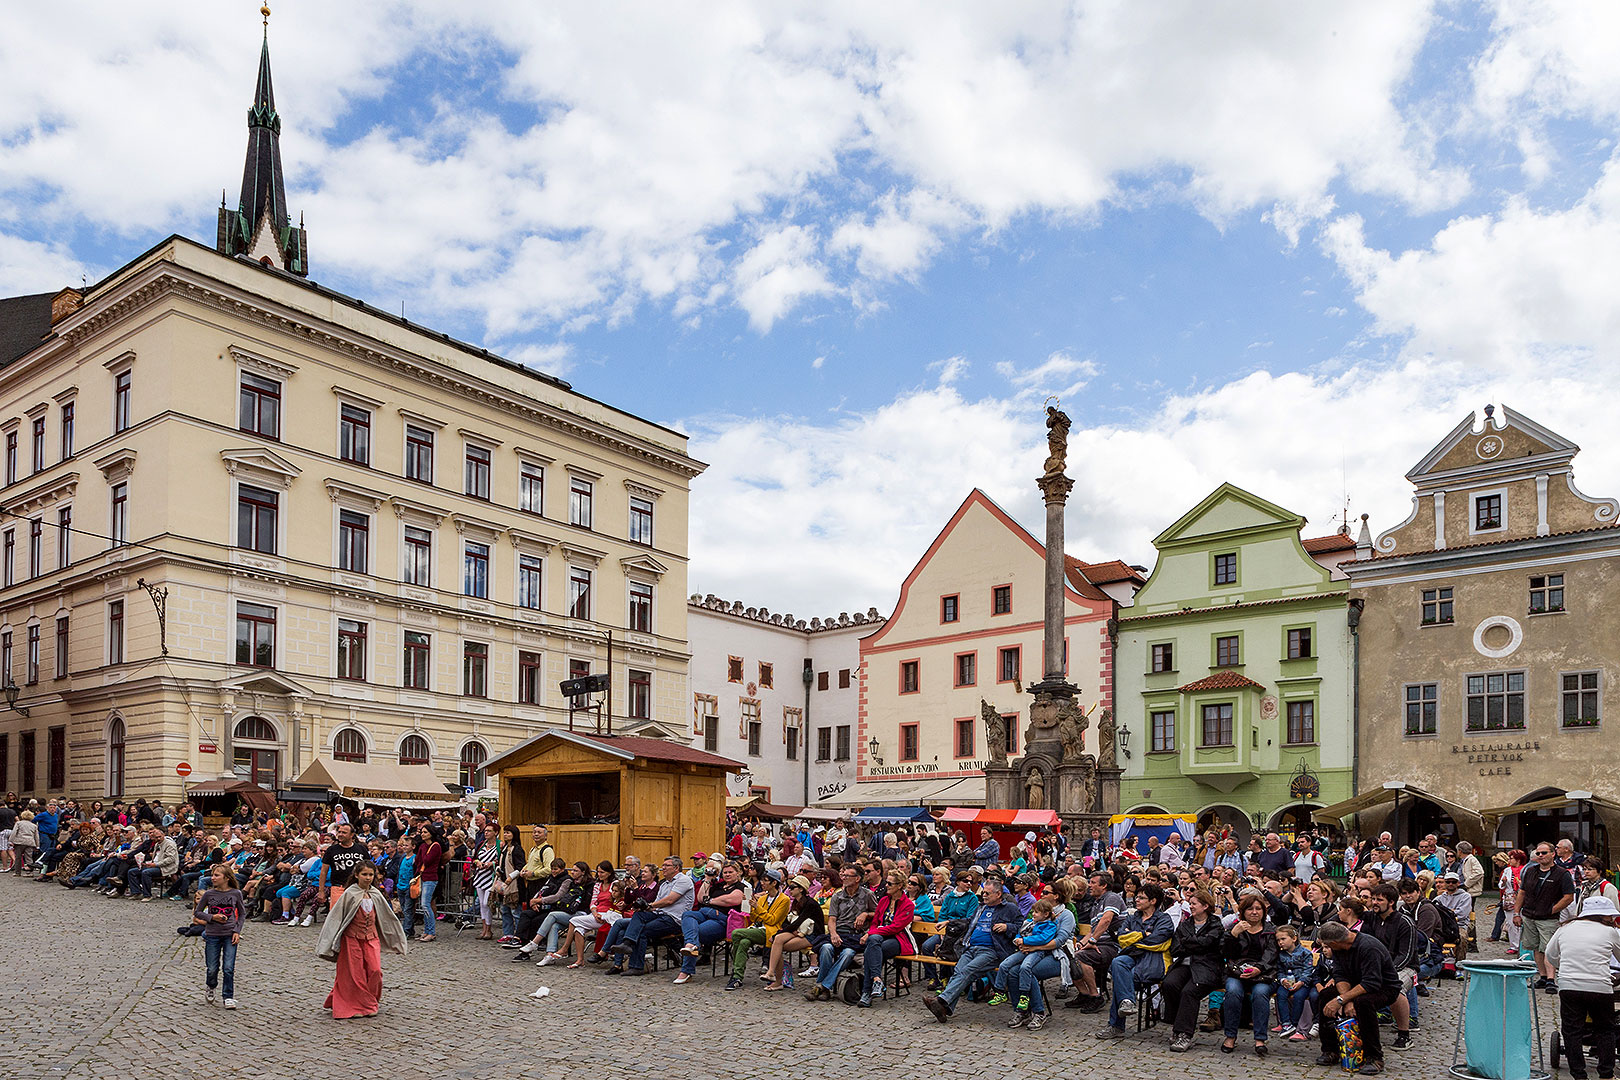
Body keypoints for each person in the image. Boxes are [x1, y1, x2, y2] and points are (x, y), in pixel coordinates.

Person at [922, 875, 1023, 1023]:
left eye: (987, 893)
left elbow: (1021, 925)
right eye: (983, 893)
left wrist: (1008, 927)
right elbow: (969, 922)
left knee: (967, 971)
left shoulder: (1009, 908)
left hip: (992, 950)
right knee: (958, 972)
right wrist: (948, 922)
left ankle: (942, 1000)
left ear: (998, 894)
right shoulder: (981, 907)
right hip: (970, 947)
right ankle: (944, 1008)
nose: (984, 896)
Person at [316, 861, 407, 1019]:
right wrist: (330, 941)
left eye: (371, 874)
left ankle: (370, 1000)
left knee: (375, 971)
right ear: (356, 875)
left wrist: (396, 940)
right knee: (354, 973)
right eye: (364, 874)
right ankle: (358, 1005)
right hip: (352, 938)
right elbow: (336, 918)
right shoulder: (350, 893)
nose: (368, 877)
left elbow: (387, 918)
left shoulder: (376, 894)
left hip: (371, 938)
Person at [1546, 894, 1620, 1080]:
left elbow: (1550, 953)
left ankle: (1578, 1074)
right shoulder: (1611, 932)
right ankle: (1606, 1074)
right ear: (1603, 916)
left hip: (1570, 985)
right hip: (1600, 986)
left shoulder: (1566, 928)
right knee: (1605, 1030)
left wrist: (1564, 968)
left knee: (1572, 1030)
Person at [1316, 920, 1403, 1075]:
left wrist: (1343, 1000)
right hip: (1356, 983)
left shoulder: (1369, 947)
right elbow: (1340, 974)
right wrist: (1344, 999)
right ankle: (1331, 1050)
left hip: (1384, 988)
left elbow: (1371, 983)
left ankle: (1374, 1057)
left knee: (1363, 1003)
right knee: (1326, 996)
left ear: (1335, 942)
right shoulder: (1339, 948)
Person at [1097, 882, 1175, 1039]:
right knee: (1118, 963)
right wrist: (1143, 934)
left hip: (1154, 960)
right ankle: (1127, 1002)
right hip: (1131, 956)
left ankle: (1116, 1025)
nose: (1136, 900)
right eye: (1137, 897)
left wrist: (1134, 937)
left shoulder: (1164, 919)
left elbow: (1158, 941)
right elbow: (1121, 938)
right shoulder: (1133, 917)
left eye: (1141, 898)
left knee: (1122, 977)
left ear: (1153, 901)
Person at [1161, 888, 1225, 1051]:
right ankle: (1177, 1023)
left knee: (1189, 992)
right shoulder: (1186, 924)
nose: (1190, 906)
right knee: (1170, 983)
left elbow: (1209, 943)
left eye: (1194, 903)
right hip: (1185, 964)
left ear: (1205, 906)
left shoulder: (1215, 924)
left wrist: (1188, 942)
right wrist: (1195, 943)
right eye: (1190, 903)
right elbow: (1175, 948)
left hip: (1206, 967)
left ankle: (1184, 1033)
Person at [803, 864, 877, 1001]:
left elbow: (878, 915)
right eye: (843, 875)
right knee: (826, 948)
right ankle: (825, 988)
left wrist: (865, 914)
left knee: (847, 954)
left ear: (857, 879)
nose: (843, 878)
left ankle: (821, 986)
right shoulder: (837, 896)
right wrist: (833, 934)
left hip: (856, 935)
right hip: (839, 932)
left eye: (848, 876)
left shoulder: (868, 895)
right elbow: (832, 919)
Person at [612, 855, 694, 977]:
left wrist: (648, 905)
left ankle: (637, 966)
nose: (663, 868)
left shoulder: (683, 880)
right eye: (663, 865)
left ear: (676, 868)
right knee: (639, 914)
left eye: (667, 866)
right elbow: (657, 905)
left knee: (642, 931)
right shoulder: (665, 884)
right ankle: (627, 944)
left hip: (674, 919)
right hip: (659, 915)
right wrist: (644, 907)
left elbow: (669, 901)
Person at [1221, 894, 1279, 1056]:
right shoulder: (1235, 928)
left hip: (1263, 974)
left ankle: (1260, 1039)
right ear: (1243, 912)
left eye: (1258, 909)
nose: (1254, 912)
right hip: (1237, 972)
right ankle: (1230, 1036)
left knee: (1260, 994)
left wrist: (1259, 968)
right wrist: (1232, 935)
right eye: (1250, 909)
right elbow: (1226, 953)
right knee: (1233, 991)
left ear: (1264, 911)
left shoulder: (1270, 930)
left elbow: (1271, 954)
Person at [676, 859, 748, 982]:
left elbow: (731, 900)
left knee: (695, 932)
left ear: (738, 873)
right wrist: (707, 879)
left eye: (731, 872)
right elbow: (700, 898)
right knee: (688, 915)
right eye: (725, 872)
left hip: (721, 919)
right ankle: (690, 946)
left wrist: (710, 901)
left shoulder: (741, 887)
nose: (727, 875)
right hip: (704, 913)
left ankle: (686, 970)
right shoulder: (717, 885)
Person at [852, 869, 917, 1006]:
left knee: (873, 947)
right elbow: (875, 922)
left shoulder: (908, 905)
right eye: (886, 883)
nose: (886, 885)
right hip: (880, 937)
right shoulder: (883, 901)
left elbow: (896, 927)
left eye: (890, 883)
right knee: (874, 944)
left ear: (900, 885)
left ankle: (866, 993)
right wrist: (872, 932)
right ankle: (876, 980)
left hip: (899, 939)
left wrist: (871, 933)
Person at [1518, 841, 1577, 990]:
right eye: (1538, 853)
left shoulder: (1562, 874)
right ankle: (1543, 977)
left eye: (1544, 853)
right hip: (1529, 915)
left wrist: (1552, 910)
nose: (1540, 856)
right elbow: (1522, 892)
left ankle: (1551, 979)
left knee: (1549, 948)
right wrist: (1516, 912)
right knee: (1536, 948)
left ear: (1553, 854)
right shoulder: (1530, 871)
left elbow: (1569, 896)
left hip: (1548, 919)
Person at [724, 870, 790, 990]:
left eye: (765, 880)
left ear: (774, 883)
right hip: (758, 928)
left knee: (736, 933)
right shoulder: (763, 898)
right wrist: (750, 906)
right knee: (743, 943)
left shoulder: (784, 899)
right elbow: (755, 918)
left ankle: (735, 967)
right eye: (762, 880)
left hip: (771, 931)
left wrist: (757, 908)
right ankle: (737, 977)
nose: (762, 883)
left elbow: (772, 920)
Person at [192, 863, 246, 1008]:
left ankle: (228, 996)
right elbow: (197, 912)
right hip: (212, 934)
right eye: (213, 875)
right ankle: (211, 985)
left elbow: (241, 914)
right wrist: (212, 917)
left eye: (216, 875)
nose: (213, 878)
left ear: (226, 878)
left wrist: (237, 931)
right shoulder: (209, 894)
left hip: (229, 934)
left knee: (228, 967)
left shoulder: (236, 894)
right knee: (212, 967)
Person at [763, 875, 825, 990]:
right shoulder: (796, 902)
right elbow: (787, 922)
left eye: (792, 887)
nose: (789, 889)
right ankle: (772, 974)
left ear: (801, 889)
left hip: (812, 935)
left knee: (778, 944)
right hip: (798, 931)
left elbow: (798, 922)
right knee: (777, 941)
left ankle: (776, 979)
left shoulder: (810, 904)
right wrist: (779, 934)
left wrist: (777, 934)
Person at [1274, 924, 1316, 1040]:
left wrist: (1301, 982)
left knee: (1299, 997)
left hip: (1302, 983)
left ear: (1293, 938)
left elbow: (1308, 971)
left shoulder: (1304, 953)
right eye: (1278, 940)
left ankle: (1294, 1022)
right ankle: (1286, 1023)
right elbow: (1280, 970)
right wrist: (1283, 980)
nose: (1280, 942)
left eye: (1283, 939)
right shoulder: (1281, 955)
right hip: (1288, 982)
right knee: (1281, 995)